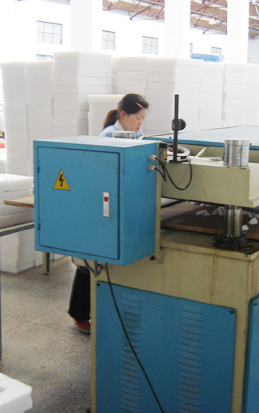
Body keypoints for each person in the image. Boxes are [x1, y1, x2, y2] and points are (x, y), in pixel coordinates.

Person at [68, 93, 150, 335]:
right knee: (88, 262)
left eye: (143, 119)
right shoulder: (108, 137)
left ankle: (97, 312)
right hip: (99, 207)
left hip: (112, 206)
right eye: (137, 118)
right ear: (123, 115)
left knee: (98, 262)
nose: (140, 123)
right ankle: (80, 314)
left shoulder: (135, 135)